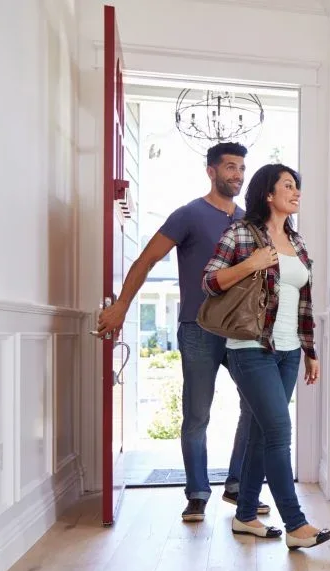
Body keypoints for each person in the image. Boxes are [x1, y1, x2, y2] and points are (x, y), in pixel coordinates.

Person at [95, 142, 270, 523]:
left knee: (255, 408)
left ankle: (238, 486)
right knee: (196, 415)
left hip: (242, 333)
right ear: (211, 171)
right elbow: (146, 260)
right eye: (229, 167)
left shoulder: (248, 222)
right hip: (198, 328)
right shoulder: (189, 215)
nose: (237, 175)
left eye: (241, 168)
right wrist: (122, 305)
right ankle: (197, 493)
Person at [201, 163, 330, 550]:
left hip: (289, 352)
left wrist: (310, 352)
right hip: (251, 349)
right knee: (278, 432)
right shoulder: (241, 234)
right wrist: (250, 263)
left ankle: (244, 517)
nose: (296, 193)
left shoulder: (298, 242)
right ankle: (295, 524)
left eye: (298, 187)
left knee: (261, 433)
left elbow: (304, 302)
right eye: (289, 186)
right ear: (268, 194)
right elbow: (209, 281)